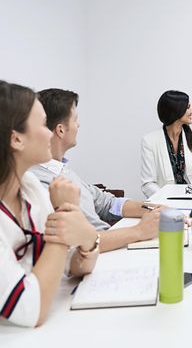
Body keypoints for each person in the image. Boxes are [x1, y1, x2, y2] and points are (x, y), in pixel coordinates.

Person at [0, 81, 98, 327]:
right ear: (16, 139)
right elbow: (32, 310)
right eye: (43, 124)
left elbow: (70, 265)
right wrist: (64, 218)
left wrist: (89, 243)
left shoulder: (31, 188)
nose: (51, 132)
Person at [30, 88, 160, 252]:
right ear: (61, 129)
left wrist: (155, 210)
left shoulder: (62, 169)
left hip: (108, 249)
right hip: (96, 256)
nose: (78, 124)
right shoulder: (38, 183)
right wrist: (139, 231)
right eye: (75, 119)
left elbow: (108, 203)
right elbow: (75, 243)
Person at [141, 90, 192, 198]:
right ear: (177, 111)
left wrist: (190, 195)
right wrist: (168, 199)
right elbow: (148, 184)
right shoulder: (149, 141)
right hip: (164, 204)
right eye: (188, 107)